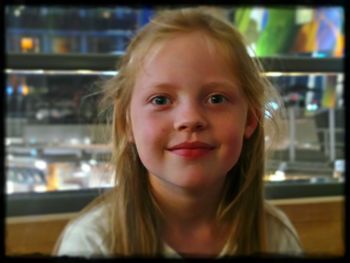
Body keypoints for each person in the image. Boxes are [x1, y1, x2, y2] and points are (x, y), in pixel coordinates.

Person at [53, 7, 303, 258]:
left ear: (250, 119)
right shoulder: (93, 243)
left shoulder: (276, 236)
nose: (190, 119)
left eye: (216, 99)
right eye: (160, 100)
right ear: (125, 122)